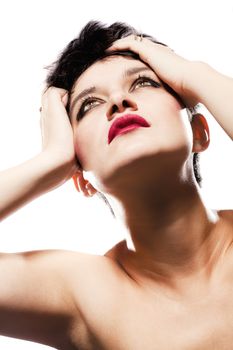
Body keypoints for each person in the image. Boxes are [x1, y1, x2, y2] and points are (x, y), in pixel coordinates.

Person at [0, 20, 232, 349]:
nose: (119, 102)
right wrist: (50, 160)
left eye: (142, 83)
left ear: (200, 132)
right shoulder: (84, 295)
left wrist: (193, 73)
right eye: (89, 105)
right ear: (80, 177)